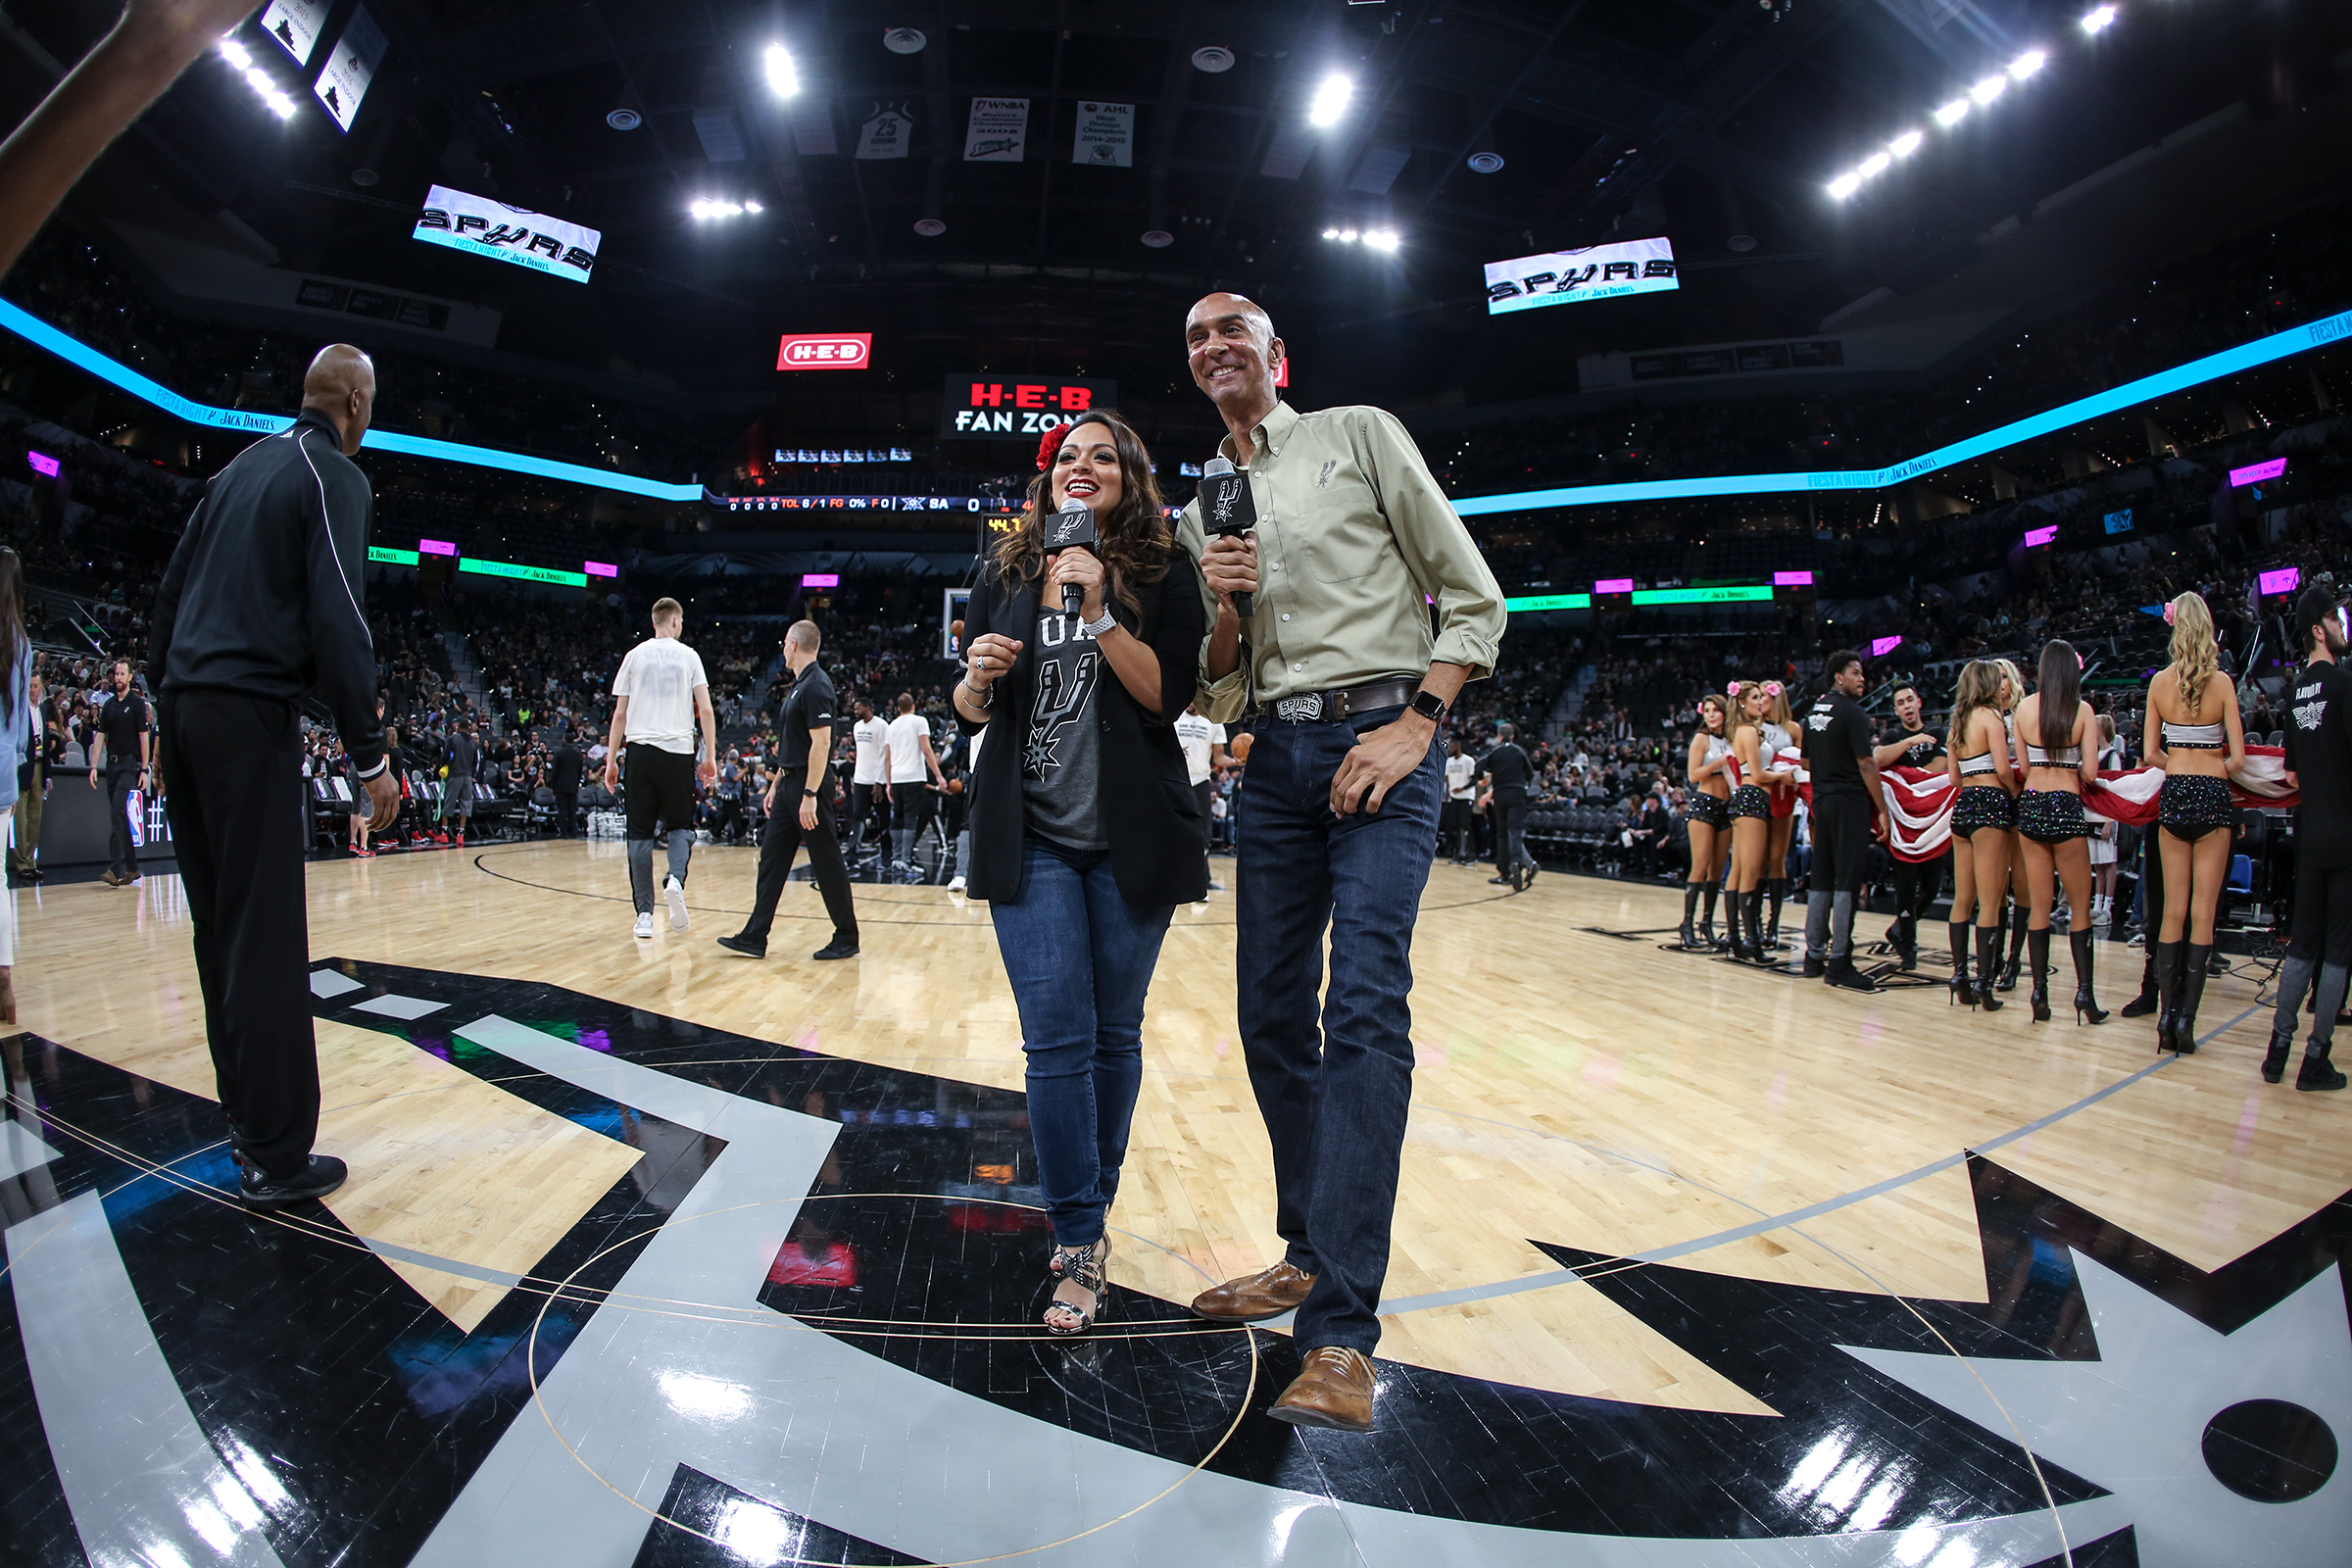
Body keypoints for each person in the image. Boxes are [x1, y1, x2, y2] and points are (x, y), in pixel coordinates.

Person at [1181, 291, 1505, 1432]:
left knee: (1363, 1008)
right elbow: (1221, 686)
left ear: (1278, 353)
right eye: (1196, 339)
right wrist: (1224, 607)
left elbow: (1473, 595)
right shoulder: (1203, 506)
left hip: (1383, 738)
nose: (1214, 346)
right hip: (1274, 757)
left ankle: (1341, 1335)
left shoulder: (1357, 434)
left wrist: (1420, 722)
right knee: (1270, 1014)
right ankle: (1307, 1250)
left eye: (1232, 330)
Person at [953, 410, 1207, 1336]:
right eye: (1068, 456)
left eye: (1104, 456)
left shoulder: (1163, 570)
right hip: (1031, 839)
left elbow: (1166, 695)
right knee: (1056, 1043)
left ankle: (1090, 1206)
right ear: (1049, 478)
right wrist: (976, 679)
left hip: (1133, 839)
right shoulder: (1008, 569)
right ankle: (1078, 1239)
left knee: (1112, 1037)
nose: (1082, 466)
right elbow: (971, 708)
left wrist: (1098, 611)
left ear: (1130, 477)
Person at [149, 343, 400, 1207]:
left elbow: (169, 598)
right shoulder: (335, 477)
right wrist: (369, 755)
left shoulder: (234, 472)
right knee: (264, 935)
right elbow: (340, 618)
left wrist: (164, 705)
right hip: (249, 715)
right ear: (356, 402)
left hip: (184, 707)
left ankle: (246, 1122)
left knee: (218, 929)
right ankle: (277, 1154)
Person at [2141, 592, 2245, 1053]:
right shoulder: (2222, 683)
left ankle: (2165, 1019)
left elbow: (2149, 753)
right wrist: (2210, 769)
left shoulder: (2158, 684)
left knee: (2173, 911)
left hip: (2176, 792)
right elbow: (2238, 758)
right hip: (2213, 796)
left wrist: (2180, 765)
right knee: (2204, 913)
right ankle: (2186, 1022)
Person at [720, 620, 858, 961]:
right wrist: (776, 785)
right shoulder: (800, 685)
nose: (782, 649)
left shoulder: (817, 685)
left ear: (794, 644)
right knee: (771, 859)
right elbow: (793, 745)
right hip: (789, 785)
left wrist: (809, 794)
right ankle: (754, 936)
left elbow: (821, 744)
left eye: (785, 643)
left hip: (809, 786)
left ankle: (847, 936)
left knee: (826, 860)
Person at [2266, 584, 2351, 1090]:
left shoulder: (2294, 690)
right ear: (2319, 629)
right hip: (2346, 833)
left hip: (2309, 834)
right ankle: (2315, 1059)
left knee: (2302, 942)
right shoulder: (2344, 685)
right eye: (2336, 620)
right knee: (2339, 948)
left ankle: (2277, 1052)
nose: (2342, 627)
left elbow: (2292, 775)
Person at [604, 598, 718, 940]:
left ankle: (644, 915)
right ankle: (675, 880)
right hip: (678, 753)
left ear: (654, 622)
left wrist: (611, 760)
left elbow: (620, 714)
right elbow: (706, 710)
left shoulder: (634, 655)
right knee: (680, 827)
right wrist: (710, 756)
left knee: (639, 834)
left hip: (640, 753)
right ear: (676, 621)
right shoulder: (689, 656)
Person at [2013, 640, 2107, 1025]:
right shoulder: (2082, 711)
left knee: (2039, 905)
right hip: (2066, 805)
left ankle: (2039, 992)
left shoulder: (2023, 709)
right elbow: (2091, 774)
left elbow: (2022, 768)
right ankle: (2085, 995)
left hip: (2032, 803)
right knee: (2080, 907)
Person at [1800, 652, 1886, 991]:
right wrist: (1882, 809)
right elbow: (1866, 762)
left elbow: (1806, 763)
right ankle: (1839, 962)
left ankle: (1813, 956)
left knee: (1821, 876)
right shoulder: (1853, 712)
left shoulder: (1813, 713)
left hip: (1822, 802)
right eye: (1855, 672)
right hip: (1849, 801)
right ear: (1839, 676)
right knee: (1848, 880)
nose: (1862, 679)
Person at [1943, 662, 2017, 1010]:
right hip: (1991, 805)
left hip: (1963, 806)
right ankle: (1984, 985)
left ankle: (1959, 975)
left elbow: (1954, 779)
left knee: (1962, 898)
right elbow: (2003, 768)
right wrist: (2015, 791)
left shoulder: (1956, 722)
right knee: (1990, 902)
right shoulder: (1991, 717)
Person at [1873, 681, 1950, 971]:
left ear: (1919, 702)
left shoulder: (1938, 731)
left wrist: (1906, 776)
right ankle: (1907, 944)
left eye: (1909, 700)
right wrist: (1908, 743)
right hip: (1903, 825)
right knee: (1905, 887)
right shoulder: (1894, 735)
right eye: (1900, 703)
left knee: (1932, 886)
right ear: (1895, 710)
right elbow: (1878, 759)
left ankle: (1899, 929)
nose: (1906, 706)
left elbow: (1940, 768)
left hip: (1931, 824)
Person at [1724, 680, 1790, 963]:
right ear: (1742, 702)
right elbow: (1758, 774)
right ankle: (1753, 942)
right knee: (1750, 873)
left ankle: (1735, 938)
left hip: (1744, 799)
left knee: (1738, 872)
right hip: (1753, 798)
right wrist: (1783, 776)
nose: (1760, 701)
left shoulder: (1742, 730)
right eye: (1755, 697)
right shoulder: (1749, 731)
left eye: (1762, 697)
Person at [88, 659, 152, 887]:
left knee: (117, 810)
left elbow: (144, 736)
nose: (118, 678)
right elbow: (100, 735)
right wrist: (93, 766)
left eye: (122, 674)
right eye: (116, 674)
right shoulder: (109, 705)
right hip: (112, 765)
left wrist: (144, 768)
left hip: (128, 765)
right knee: (121, 817)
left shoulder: (136, 704)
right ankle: (133, 868)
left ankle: (114, 869)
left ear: (130, 676)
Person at [1680, 693, 1733, 950]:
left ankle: (1707, 922)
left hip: (1727, 805)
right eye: (1707, 711)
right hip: (1704, 803)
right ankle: (1687, 923)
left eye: (1715, 710)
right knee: (1700, 866)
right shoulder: (1702, 738)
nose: (1711, 715)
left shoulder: (1732, 738)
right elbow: (1693, 775)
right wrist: (1719, 763)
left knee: (1718, 870)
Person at [0, 552, 27, 1021]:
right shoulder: (22, 643)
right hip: (4, 773)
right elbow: (21, 727)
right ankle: (4, 983)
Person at [1757, 681, 1803, 953]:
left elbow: (1803, 763)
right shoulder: (1753, 727)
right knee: (1757, 859)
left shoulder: (1794, 728)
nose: (1760, 700)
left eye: (1764, 695)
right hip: (1760, 793)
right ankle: (1753, 920)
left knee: (1777, 858)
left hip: (1786, 797)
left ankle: (1773, 924)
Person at [884, 693, 946, 879]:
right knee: (911, 818)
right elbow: (926, 749)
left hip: (896, 777)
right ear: (913, 706)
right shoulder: (919, 721)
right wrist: (938, 776)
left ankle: (896, 859)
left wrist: (888, 783)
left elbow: (887, 757)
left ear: (898, 708)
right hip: (913, 776)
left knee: (898, 818)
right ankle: (906, 860)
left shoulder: (891, 725)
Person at [1173, 704, 1229, 889]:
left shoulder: (1214, 721)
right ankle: (1174, 880)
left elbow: (1219, 758)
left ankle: (1201, 882)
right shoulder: (1174, 716)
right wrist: (1173, 750)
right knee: (1174, 833)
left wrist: (1238, 760)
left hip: (1201, 782)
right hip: (1176, 780)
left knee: (1203, 835)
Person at [1477, 723, 1536, 891]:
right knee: (1515, 832)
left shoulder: (1495, 752)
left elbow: (1479, 765)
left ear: (1499, 736)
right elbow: (1530, 773)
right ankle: (1516, 863)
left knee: (1502, 833)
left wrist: (1481, 778)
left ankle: (1504, 872)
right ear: (1513, 736)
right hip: (1517, 793)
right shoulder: (1519, 751)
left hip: (1500, 794)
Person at [847, 698, 889, 865]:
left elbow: (885, 754)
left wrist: (879, 781)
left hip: (878, 781)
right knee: (857, 817)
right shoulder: (856, 726)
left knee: (884, 818)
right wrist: (855, 779)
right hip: (860, 779)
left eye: (858, 708)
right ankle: (852, 854)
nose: (855, 711)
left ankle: (887, 853)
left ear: (867, 707)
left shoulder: (882, 725)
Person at [11, 668, 43, 883]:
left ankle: (31, 862)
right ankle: (21, 863)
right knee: (20, 817)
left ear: (41, 687)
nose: (32, 689)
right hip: (23, 766)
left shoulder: (43, 709)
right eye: (30, 686)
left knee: (35, 817)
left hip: (39, 765)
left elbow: (45, 741)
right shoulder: (21, 710)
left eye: (35, 686)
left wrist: (48, 775)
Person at [1440, 737, 1477, 864]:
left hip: (1466, 797)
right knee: (1455, 826)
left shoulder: (1468, 760)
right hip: (1454, 797)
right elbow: (1445, 778)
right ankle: (1459, 854)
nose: (1450, 749)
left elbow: (1474, 780)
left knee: (1466, 825)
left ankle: (1471, 854)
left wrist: (1462, 788)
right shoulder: (1449, 762)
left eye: (1452, 747)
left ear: (1458, 746)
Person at [445, 721, 480, 847]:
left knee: (449, 803)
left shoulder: (452, 739)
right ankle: (460, 834)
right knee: (465, 804)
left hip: (455, 774)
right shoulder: (473, 743)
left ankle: (444, 833)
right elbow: (475, 762)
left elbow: (445, 757)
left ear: (459, 727)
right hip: (468, 776)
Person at [551, 732, 583, 838]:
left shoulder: (559, 753)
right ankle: (574, 830)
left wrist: (552, 785)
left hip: (561, 786)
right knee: (572, 810)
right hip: (573, 786)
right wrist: (576, 784)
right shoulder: (578, 754)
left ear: (565, 740)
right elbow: (580, 771)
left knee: (562, 810)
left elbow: (555, 771)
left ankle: (563, 831)